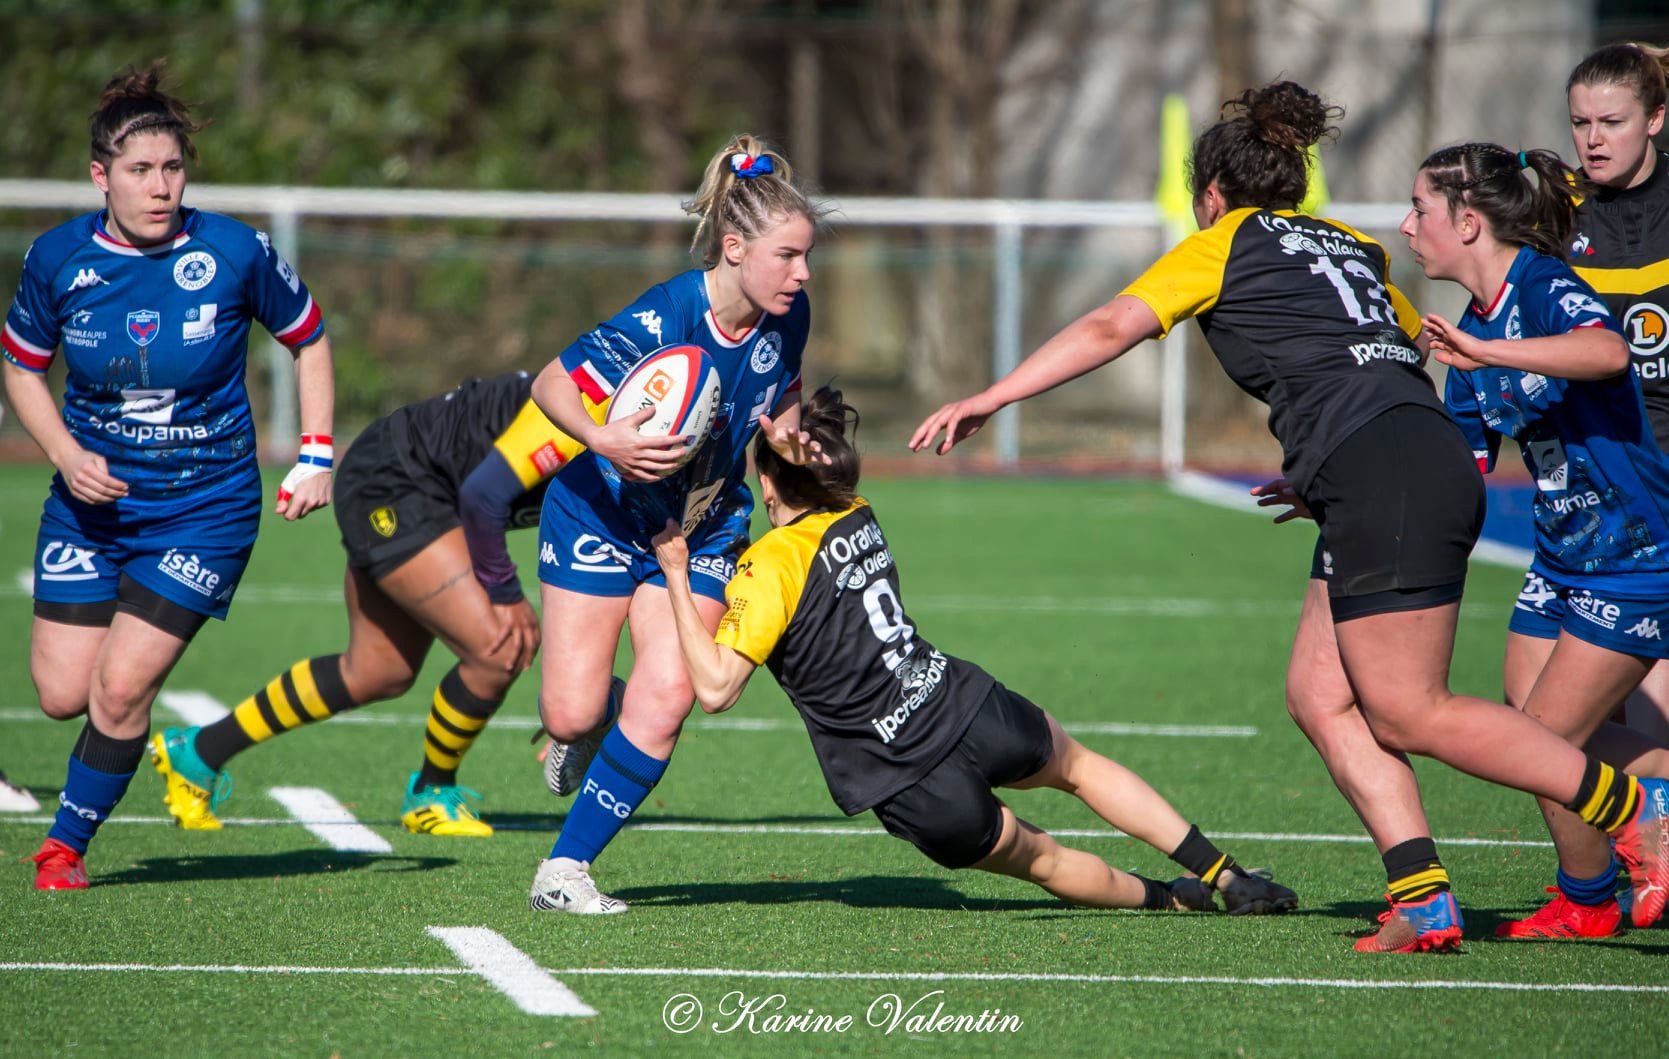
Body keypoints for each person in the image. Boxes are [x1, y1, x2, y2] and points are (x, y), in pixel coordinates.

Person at [910, 81, 1669, 951]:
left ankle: (1631, 807)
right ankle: (1422, 897)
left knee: (1408, 710)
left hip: (1383, 469)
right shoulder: (1350, 245)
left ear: (1210, 195)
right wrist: (1328, 469)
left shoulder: (1223, 240)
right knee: (1318, 694)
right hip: (1388, 461)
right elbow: (1400, 353)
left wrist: (993, 396)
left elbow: (1112, 324)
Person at [653, 387, 1300, 915]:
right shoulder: (856, 510)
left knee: (1044, 859)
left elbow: (715, 689)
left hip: (905, 775)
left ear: (766, 485)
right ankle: (1227, 873)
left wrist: (678, 574)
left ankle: (1170, 898)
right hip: (965, 704)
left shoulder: (767, 566)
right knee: (1081, 767)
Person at [3, 62, 335, 889]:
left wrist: (316, 453)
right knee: (62, 693)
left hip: (204, 508)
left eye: (173, 167)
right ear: (100, 175)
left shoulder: (232, 250)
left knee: (120, 688)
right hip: (89, 509)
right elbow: (20, 366)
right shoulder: (58, 258)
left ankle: (65, 846)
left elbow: (309, 339)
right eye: (141, 169)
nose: (160, 187)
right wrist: (66, 455)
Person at [525, 135, 828, 914]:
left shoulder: (786, 316)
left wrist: (790, 445)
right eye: (788, 256)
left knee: (668, 694)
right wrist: (601, 438)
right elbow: (552, 382)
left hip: (702, 526)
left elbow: (782, 395)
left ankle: (565, 868)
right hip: (601, 510)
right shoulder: (665, 315)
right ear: (734, 247)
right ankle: (592, 716)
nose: (803, 273)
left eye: (806, 256)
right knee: (569, 712)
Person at [147, 371, 610, 837]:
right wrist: (505, 593)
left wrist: (580, 696)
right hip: (397, 479)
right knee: (499, 646)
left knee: (376, 671)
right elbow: (483, 495)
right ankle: (431, 792)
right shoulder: (589, 421)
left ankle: (198, 752)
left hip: (428, 491)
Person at [1402, 141, 1669, 938]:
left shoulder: (1543, 285)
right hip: (1558, 556)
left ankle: (1630, 841)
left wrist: (1485, 352)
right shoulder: (1467, 336)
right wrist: (1336, 489)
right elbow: (1458, 467)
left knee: (1547, 742)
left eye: (1419, 208)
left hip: (1631, 553)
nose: (1407, 226)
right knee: (1527, 733)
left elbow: (1607, 351)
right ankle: (1587, 898)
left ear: (1469, 222)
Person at [1566, 42, 1669, 749]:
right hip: (1595, 470)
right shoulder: (1554, 211)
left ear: (1655, 118)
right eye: (1580, 123)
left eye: (1612, 122)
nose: (1593, 140)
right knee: (1546, 709)